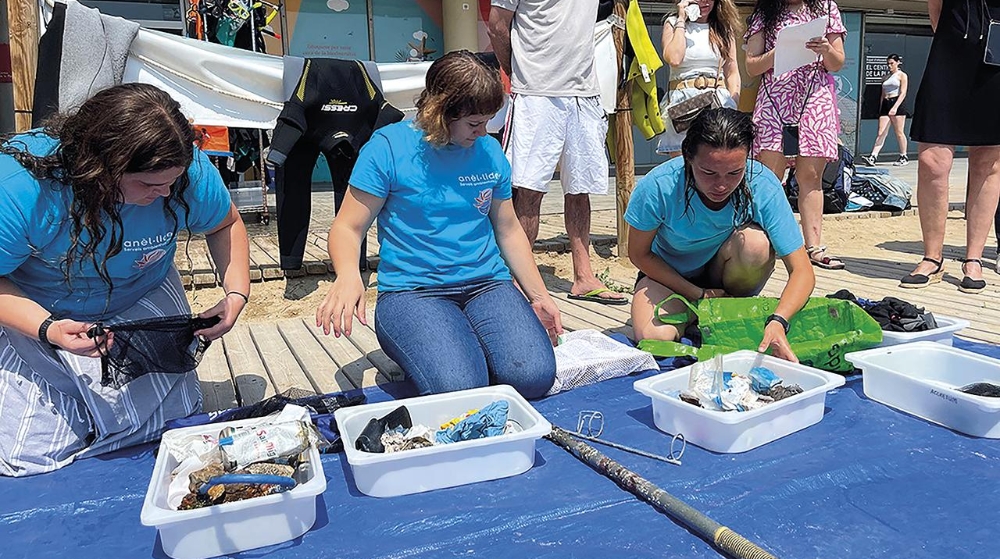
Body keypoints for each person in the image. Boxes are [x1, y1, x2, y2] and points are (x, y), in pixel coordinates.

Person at [0, 83, 250, 477]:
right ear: (100, 168)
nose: (166, 192)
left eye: (172, 181)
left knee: (164, 429)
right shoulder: (20, 187)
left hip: (143, 294)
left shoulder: (184, 172)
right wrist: (46, 328)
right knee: (30, 456)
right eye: (150, 185)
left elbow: (226, 223)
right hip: (37, 306)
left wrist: (236, 293)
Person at [315, 51, 562, 399]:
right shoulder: (388, 148)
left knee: (534, 376)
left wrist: (540, 296)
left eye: (488, 121)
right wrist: (348, 275)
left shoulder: (488, 152)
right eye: (474, 124)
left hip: (486, 285)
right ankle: (435, 347)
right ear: (439, 111)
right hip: (414, 292)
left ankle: (460, 344)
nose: (483, 132)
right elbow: (347, 227)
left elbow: (508, 229)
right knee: (461, 389)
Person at [626, 108, 815, 362]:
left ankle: (725, 308)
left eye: (734, 173)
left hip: (723, 272)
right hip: (669, 277)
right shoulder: (658, 186)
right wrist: (697, 294)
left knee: (756, 244)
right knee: (654, 337)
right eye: (709, 173)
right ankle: (702, 313)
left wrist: (779, 320)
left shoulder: (763, 183)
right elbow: (639, 254)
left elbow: (802, 271)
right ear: (688, 158)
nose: (722, 185)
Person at [487, 0, 627, 305]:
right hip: (535, 93)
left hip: (584, 90)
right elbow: (497, 25)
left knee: (580, 190)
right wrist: (519, 74)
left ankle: (583, 276)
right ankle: (518, 277)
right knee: (528, 191)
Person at [902, 0, 1000, 293]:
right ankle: (932, 256)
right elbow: (936, 5)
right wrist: (954, 37)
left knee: (989, 161)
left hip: (997, 51)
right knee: (932, 160)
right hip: (951, 47)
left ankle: (974, 258)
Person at [744, 0, 847, 270]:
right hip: (775, 99)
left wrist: (826, 49)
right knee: (769, 177)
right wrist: (780, 53)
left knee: (811, 177)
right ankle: (767, 241)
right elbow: (752, 67)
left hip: (814, 98)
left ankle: (813, 246)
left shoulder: (826, 8)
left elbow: (837, 63)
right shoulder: (765, 12)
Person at [657, 0, 743, 157]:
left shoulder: (723, 28)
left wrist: (733, 101)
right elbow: (674, 58)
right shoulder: (673, 23)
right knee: (682, 165)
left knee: (716, 158)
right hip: (683, 103)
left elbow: (732, 70)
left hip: (717, 100)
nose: (704, 1)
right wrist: (682, 19)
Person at [860, 54, 910, 167]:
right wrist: (881, 107)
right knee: (881, 132)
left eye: (892, 63)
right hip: (886, 103)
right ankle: (873, 156)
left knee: (899, 132)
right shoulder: (886, 77)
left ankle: (903, 155)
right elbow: (883, 94)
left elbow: (903, 93)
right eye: (888, 63)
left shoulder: (902, 75)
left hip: (896, 102)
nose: (889, 66)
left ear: (898, 63)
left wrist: (895, 107)